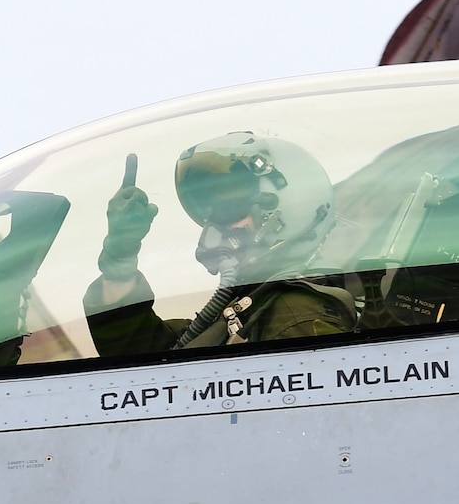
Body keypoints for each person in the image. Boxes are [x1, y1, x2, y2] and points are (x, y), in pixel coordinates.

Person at [84, 132, 355, 356]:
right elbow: (136, 351)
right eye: (212, 216)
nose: (217, 228)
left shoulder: (296, 315)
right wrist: (120, 254)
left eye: (230, 209)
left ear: (290, 208)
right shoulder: (245, 312)